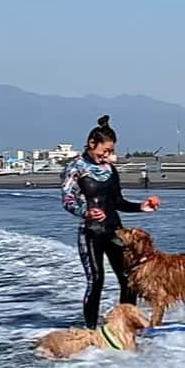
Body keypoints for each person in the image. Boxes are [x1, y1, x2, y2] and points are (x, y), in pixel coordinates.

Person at [62, 115, 161, 328]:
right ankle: (90, 329)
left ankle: (127, 324)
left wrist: (140, 207)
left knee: (128, 280)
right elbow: (68, 201)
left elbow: (117, 201)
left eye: (110, 151)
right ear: (91, 144)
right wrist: (86, 212)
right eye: (104, 151)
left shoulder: (110, 169)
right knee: (96, 281)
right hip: (91, 233)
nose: (107, 156)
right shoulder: (75, 168)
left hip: (115, 231)